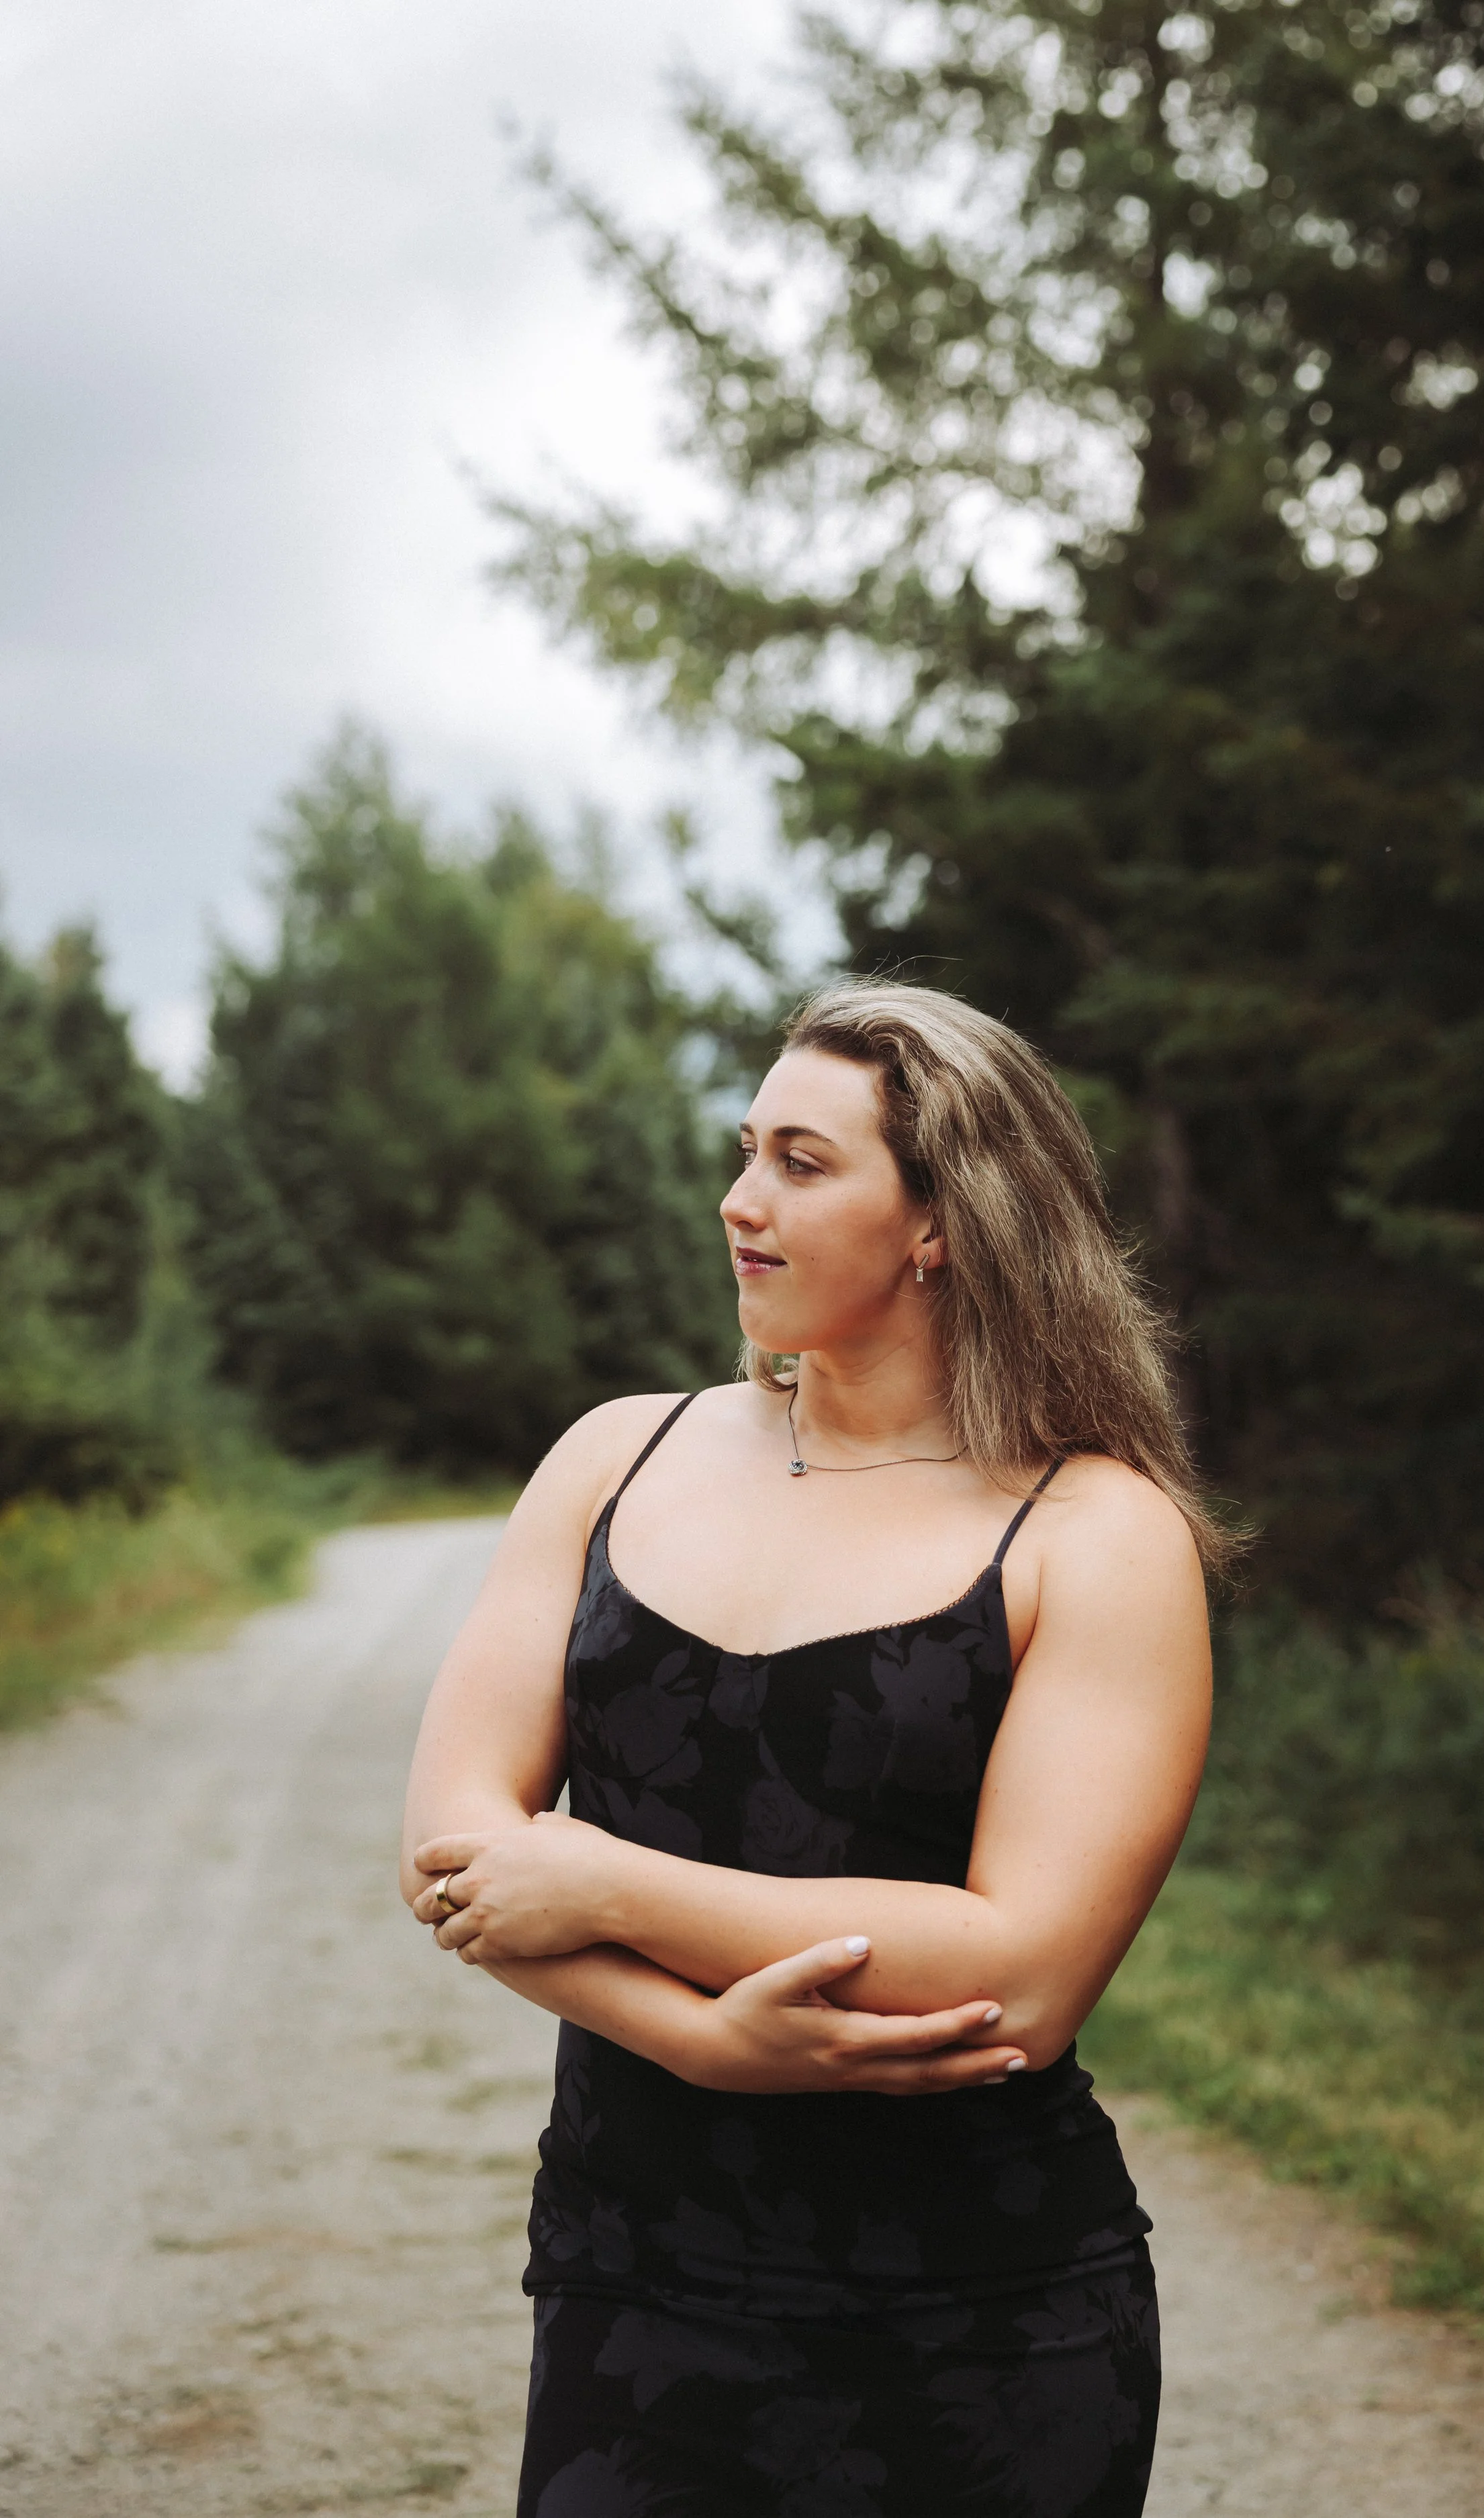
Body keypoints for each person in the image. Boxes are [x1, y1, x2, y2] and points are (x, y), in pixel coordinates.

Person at [400, 979, 1225, 2518]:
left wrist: (608, 1883)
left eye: (800, 1161)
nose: (739, 1200)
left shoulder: (1097, 1534)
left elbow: (1021, 1976)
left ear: (941, 1223)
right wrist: (702, 2044)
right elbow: (456, 1859)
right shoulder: (615, 1456)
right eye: (745, 1152)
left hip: (983, 2321)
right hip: (634, 2280)